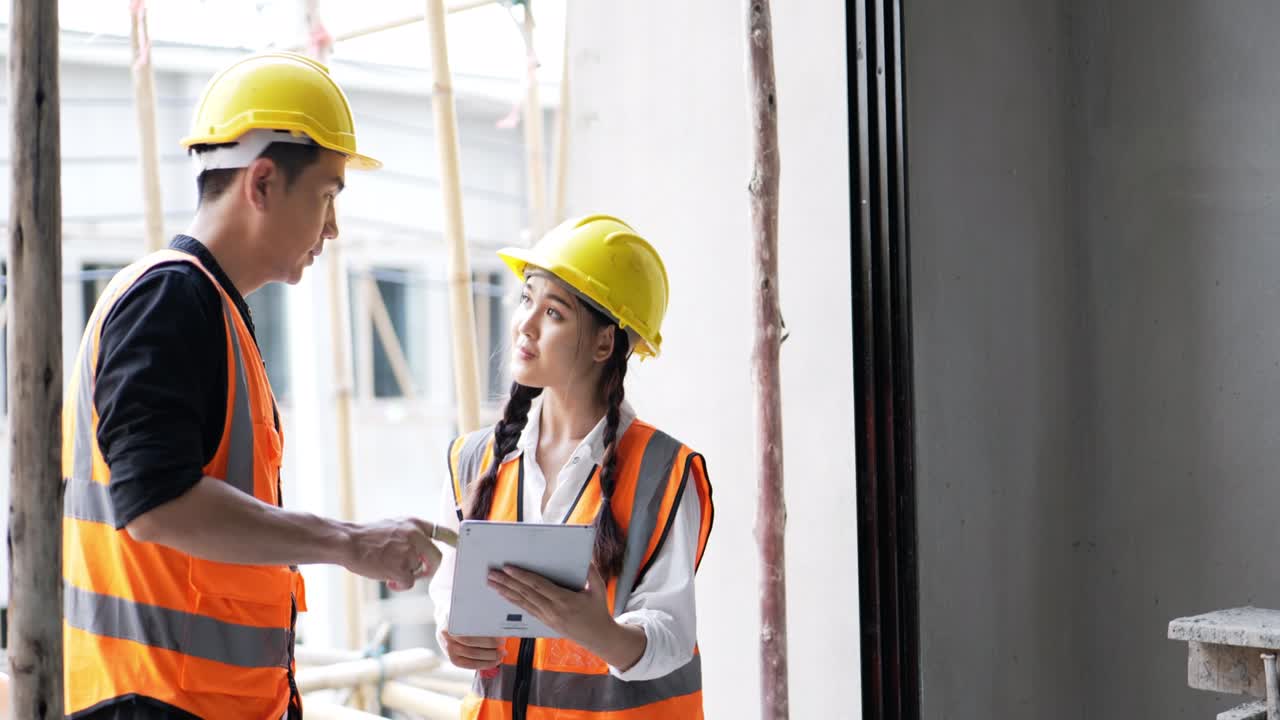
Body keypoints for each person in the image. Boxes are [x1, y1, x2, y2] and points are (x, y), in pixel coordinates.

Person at [62, 52, 444, 720]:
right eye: (327, 195)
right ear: (262, 182)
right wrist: (349, 542)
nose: (332, 228)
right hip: (157, 702)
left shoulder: (207, 308)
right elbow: (155, 504)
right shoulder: (169, 301)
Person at [428, 215, 715, 718]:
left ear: (605, 344)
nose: (526, 324)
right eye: (526, 299)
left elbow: (672, 633)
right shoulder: (474, 459)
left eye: (553, 312)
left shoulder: (662, 472)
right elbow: (448, 592)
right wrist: (452, 635)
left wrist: (598, 631)